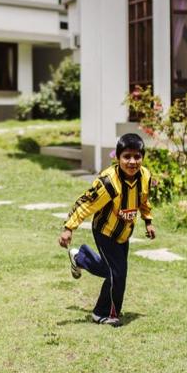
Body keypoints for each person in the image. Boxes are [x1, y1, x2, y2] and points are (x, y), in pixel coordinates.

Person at [58, 133, 155, 326]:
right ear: (118, 158)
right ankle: (103, 313)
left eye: (137, 156)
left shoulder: (145, 176)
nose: (132, 161)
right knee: (116, 274)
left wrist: (148, 220)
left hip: (124, 232)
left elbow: (143, 200)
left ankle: (80, 258)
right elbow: (86, 203)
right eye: (127, 156)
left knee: (114, 271)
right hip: (104, 231)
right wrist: (69, 227)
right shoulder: (108, 182)